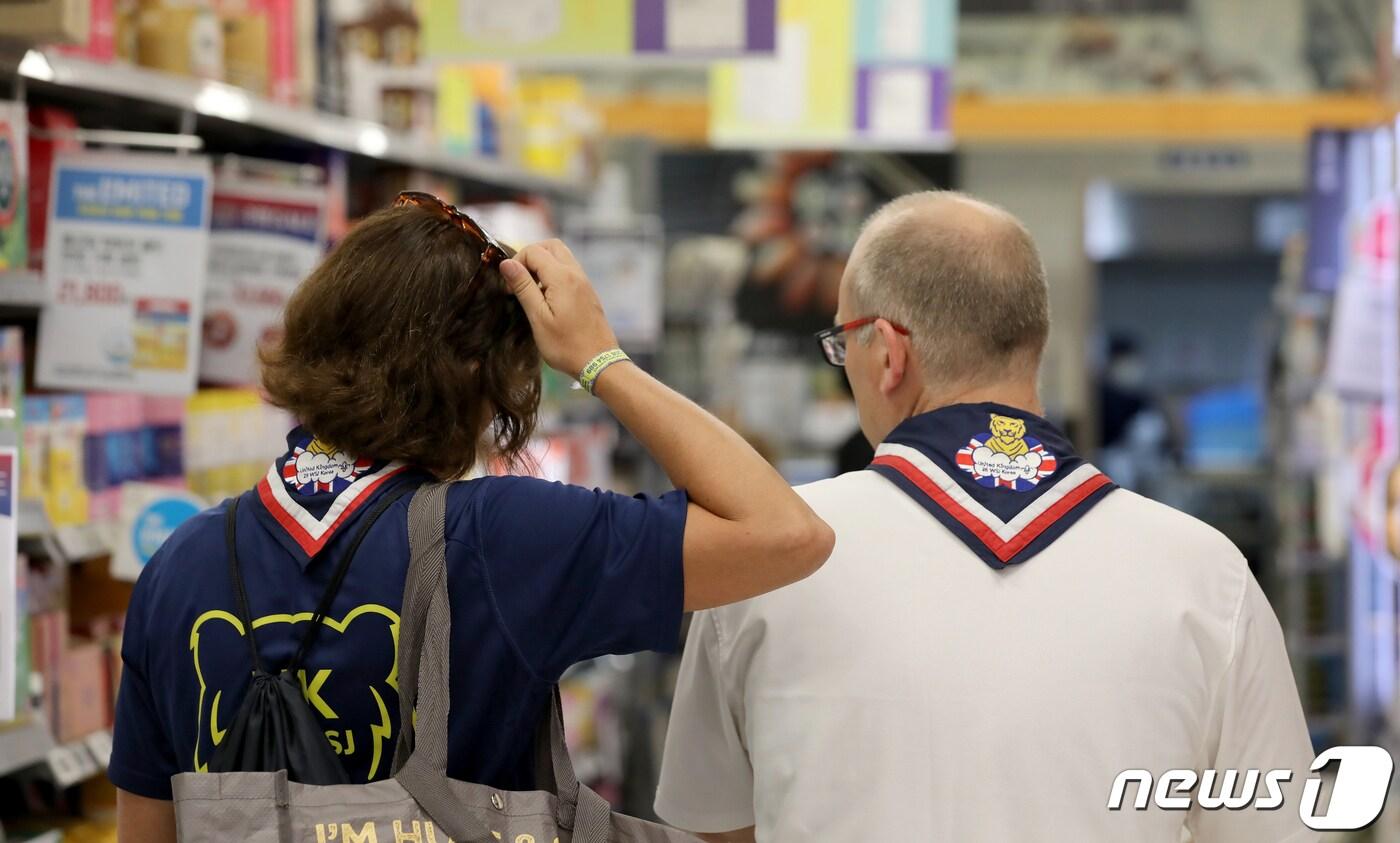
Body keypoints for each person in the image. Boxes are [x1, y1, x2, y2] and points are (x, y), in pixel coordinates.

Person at [110, 193, 834, 842]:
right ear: (481, 377)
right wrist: (596, 356)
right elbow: (785, 532)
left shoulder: (179, 564)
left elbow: (144, 827)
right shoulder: (501, 537)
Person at [654, 191, 1316, 843]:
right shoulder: (1204, 574)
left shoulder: (764, 559)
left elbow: (715, 827)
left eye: (842, 342)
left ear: (887, 352)